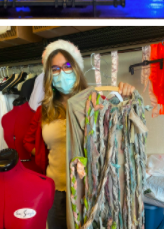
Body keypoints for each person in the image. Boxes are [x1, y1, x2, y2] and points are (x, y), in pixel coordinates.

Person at [23, 40, 135, 229]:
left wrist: (125, 95)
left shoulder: (96, 102)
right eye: (55, 69)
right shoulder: (44, 110)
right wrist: (47, 156)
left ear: (76, 68)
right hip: (56, 191)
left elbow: (119, 129)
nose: (61, 73)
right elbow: (28, 142)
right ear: (49, 75)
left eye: (66, 66)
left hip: (89, 190)